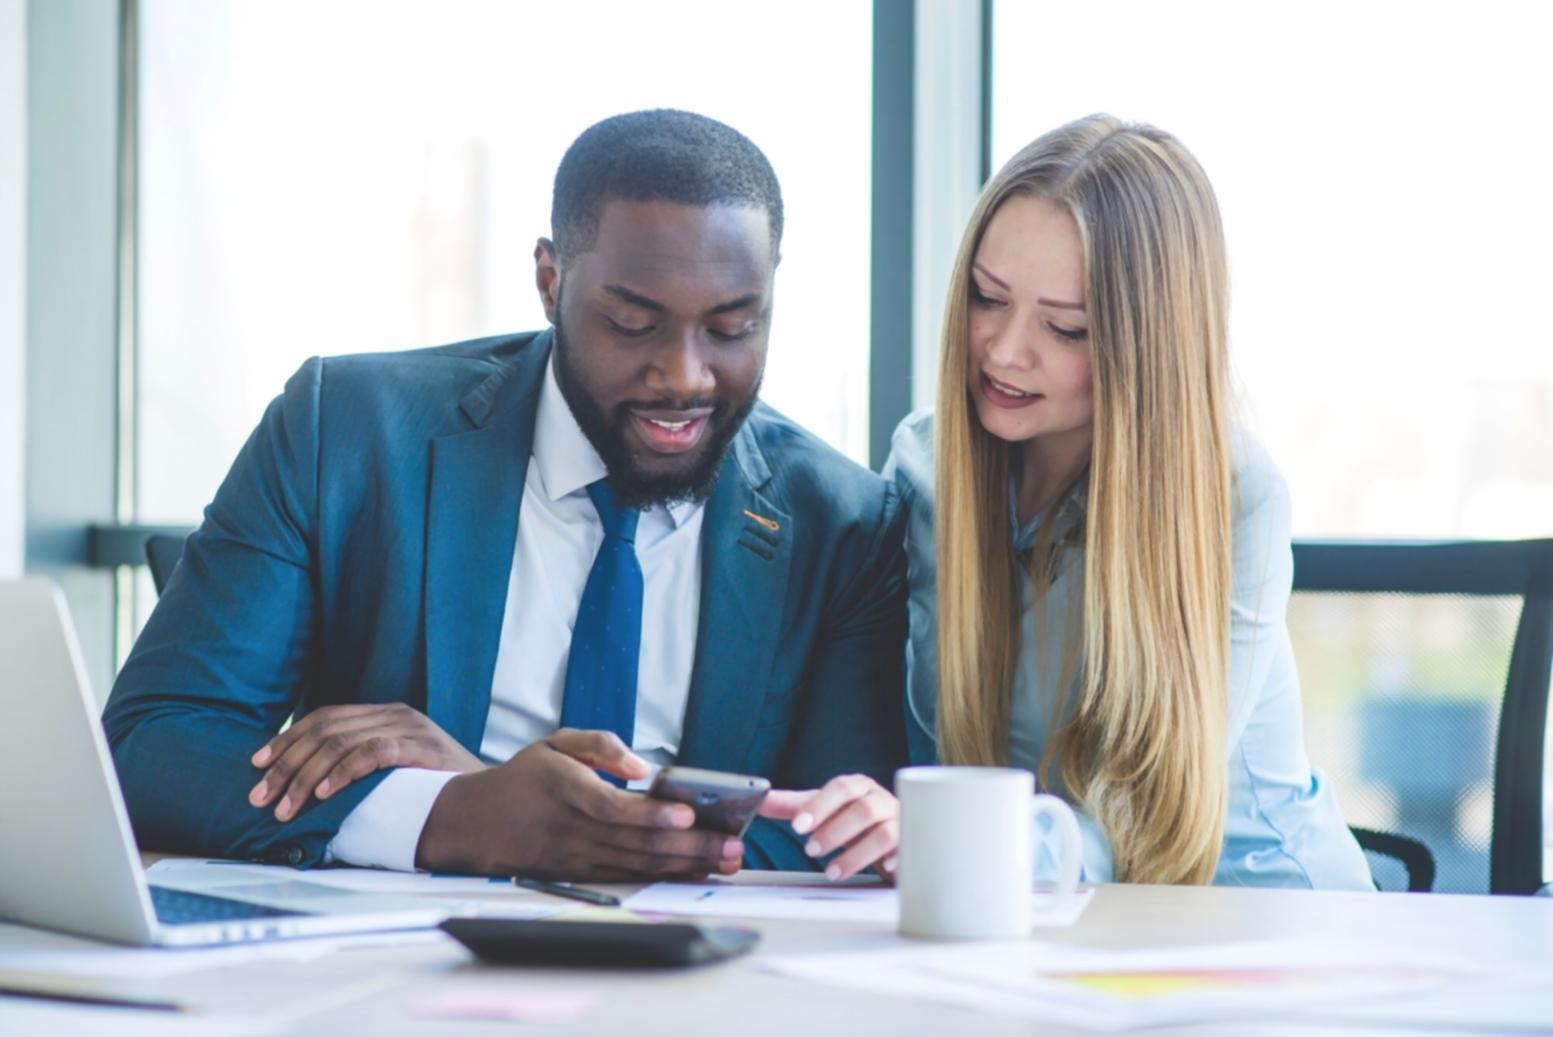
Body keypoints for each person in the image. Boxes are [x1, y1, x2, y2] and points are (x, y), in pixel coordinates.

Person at [103, 109, 908, 879]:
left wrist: (530, 814)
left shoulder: (842, 522)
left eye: (732, 328)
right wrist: (452, 812)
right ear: (550, 280)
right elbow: (153, 745)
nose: (684, 375)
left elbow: (836, 836)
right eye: (633, 323)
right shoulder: (344, 433)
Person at [764, 114, 1374, 889]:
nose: (1005, 349)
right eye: (987, 298)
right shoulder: (923, 464)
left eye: (1064, 327)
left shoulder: (1232, 496)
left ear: (1143, 345)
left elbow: (1152, 823)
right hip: (1018, 906)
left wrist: (956, 841)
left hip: (1239, 908)